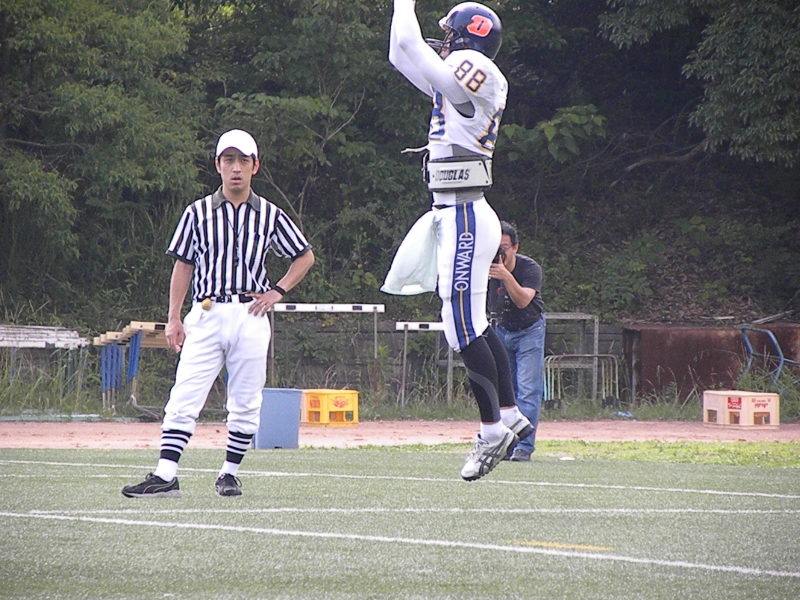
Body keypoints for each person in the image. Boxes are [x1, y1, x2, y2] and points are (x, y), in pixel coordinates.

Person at [383, 0, 532, 481]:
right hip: (457, 211)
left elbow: (411, 43)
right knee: (471, 324)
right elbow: (399, 52)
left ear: (470, 37)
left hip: (465, 212)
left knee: (462, 327)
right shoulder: (459, 79)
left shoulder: (477, 69)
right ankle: (508, 413)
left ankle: (491, 430)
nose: (443, 41)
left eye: (450, 33)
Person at [122, 129, 315, 498]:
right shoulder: (197, 213)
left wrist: (277, 291)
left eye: (243, 160)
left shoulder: (269, 214)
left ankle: (229, 473)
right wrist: (174, 317)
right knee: (184, 395)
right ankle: (165, 475)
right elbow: (183, 264)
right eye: (229, 160)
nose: (236, 168)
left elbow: (304, 256)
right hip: (207, 311)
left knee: (246, 401)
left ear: (255, 166)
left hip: (250, 313)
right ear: (218, 165)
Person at [489, 221, 545, 462]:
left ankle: (524, 446)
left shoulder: (529, 269)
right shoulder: (484, 268)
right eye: (495, 247)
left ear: (515, 247)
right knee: (505, 391)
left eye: (504, 247)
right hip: (501, 329)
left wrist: (505, 276)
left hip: (529, 330)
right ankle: (507, 444)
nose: (500, 253)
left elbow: (523, 301)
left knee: (528, 390)